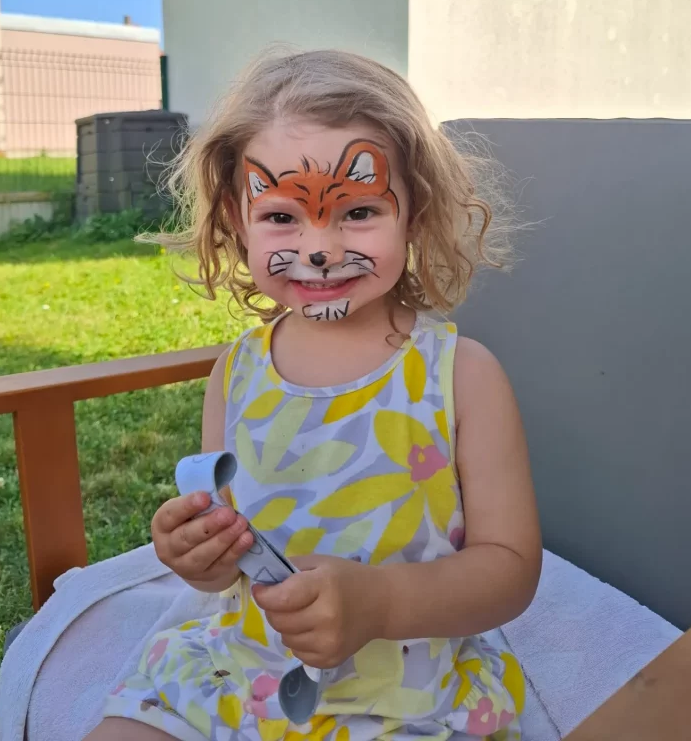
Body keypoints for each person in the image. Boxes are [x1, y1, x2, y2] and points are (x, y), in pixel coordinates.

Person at [87, 49, 541, 741]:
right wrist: (199, 556)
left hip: (403, 699)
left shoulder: (462, 375)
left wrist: (380, 603)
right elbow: (231, 553)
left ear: (415, 212)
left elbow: (510, 571)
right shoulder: (236, 373)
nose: (320, 247)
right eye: (281, 218)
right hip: (240, 675)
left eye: (357, 211)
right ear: (237, 219)